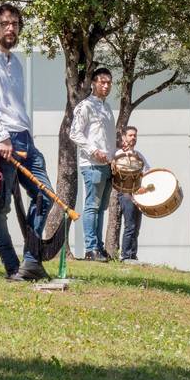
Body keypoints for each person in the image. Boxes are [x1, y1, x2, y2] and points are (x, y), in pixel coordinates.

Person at [0, 3, 52, 281]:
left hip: (25, 137)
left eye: (15, 23)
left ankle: (30, 259)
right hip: (1, 139)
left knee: (45, 195)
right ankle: (12, 267)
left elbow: (14, 104)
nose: (11, 28)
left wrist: (25, 133)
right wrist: (1, 137)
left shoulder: (15, 62)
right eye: (4, 23)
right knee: (0, 206)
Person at [69, 68, 116, 262]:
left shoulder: (107, 107)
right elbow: (75, 133)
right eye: (102, 82)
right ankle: (90, 248)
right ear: (93, 84)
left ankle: (99, 247)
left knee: (101, 207)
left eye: (109, 83)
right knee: (92, 206)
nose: (106, 86)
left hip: (107, 165)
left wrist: (113, 159)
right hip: (92, 164)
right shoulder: (85, 106)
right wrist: (93, 150)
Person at [114, 126, 150, 263]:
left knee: (137, 226)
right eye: (130, 135)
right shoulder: (118, 154)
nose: (133, 138)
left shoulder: (139, 155)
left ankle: (133, 255)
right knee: (130, 225)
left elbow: (147, 170)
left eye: (135, 135)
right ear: (124, 137)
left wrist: (144, 187)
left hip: (138, 195)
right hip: (126, 194)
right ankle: (126, 255)